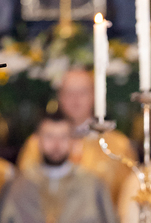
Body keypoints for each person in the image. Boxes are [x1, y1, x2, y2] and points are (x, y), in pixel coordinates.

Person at [18, 67, 135, 205]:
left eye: (83, 92)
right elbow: (23, 193)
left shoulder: (118, 145)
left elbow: (129, 196)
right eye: (69, 92)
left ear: (94, 96)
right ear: (59, 97)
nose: (75, 98)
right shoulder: (37, 143)